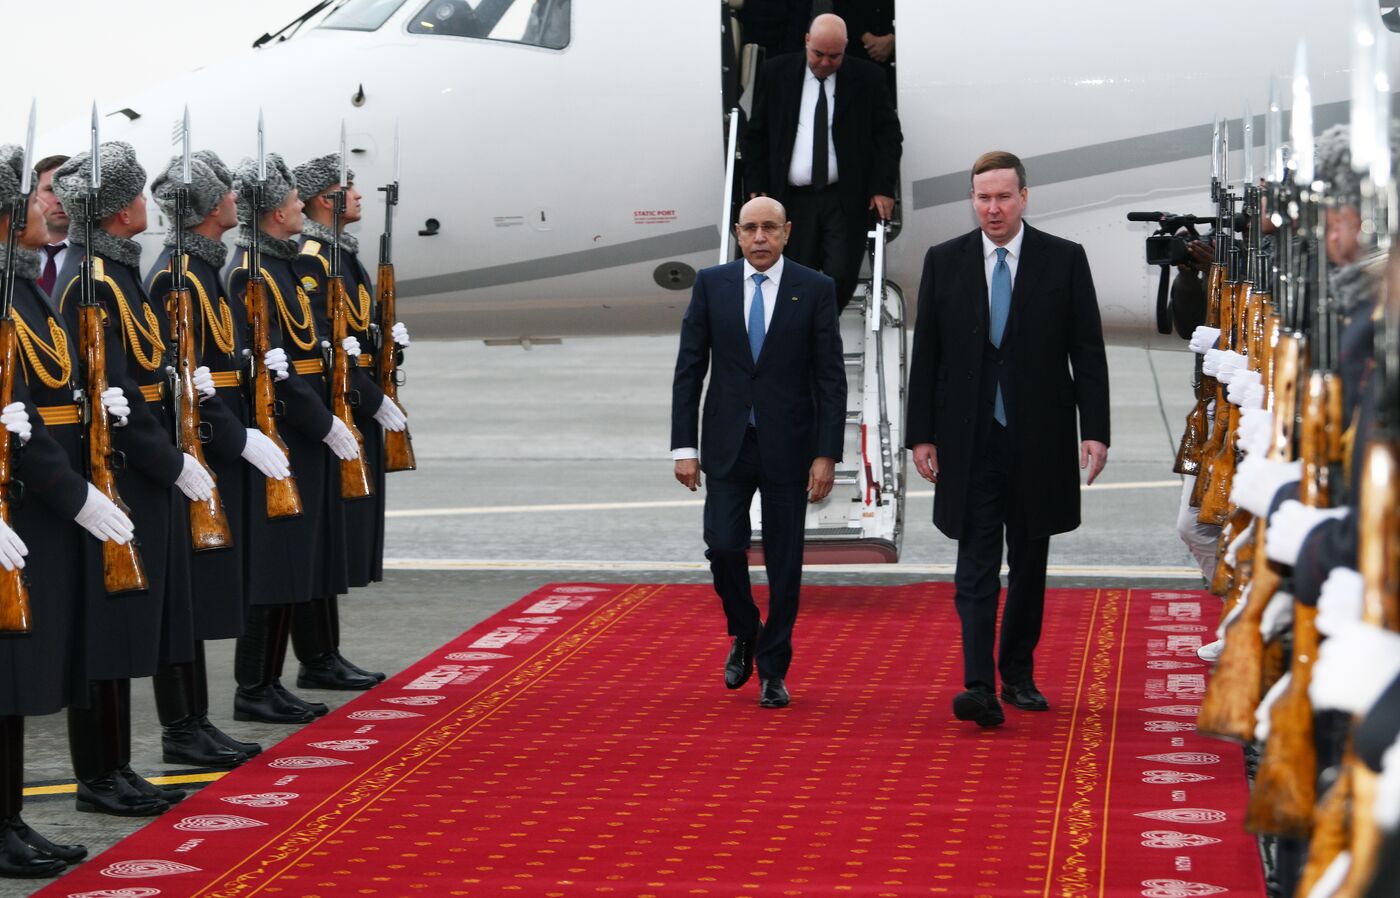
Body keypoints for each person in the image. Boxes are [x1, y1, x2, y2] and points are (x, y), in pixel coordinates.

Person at [905, 151, 1110, 728]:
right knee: (974, 563)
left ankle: (1017, 674)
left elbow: (1086, 351)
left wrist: (1094, 430)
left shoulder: (1063, 259)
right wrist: (921, 434)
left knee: (1028, 561)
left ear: (1024, 197)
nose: (992, 208)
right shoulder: (944, 260)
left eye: (1002, 197)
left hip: (1039, 438)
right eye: (982, 198)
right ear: (972, 200)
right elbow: (928, 355)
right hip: (969, 441)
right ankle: (978, 686)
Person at [53, 142, 215, 815]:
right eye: (140, 196)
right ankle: (99, 775)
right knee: (108, 629)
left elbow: (142, 374)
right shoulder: (90, 282)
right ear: (121, 213)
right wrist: (170, 462)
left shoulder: (117, 274)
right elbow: (110, 391)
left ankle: (116, 766)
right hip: (121, 472)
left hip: (143, 472)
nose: (150, 205)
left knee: (129, 626)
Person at [146, 150, 293, 766]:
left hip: (219, 443)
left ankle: (197, 721)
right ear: (208, 209)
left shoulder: (202, 270)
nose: (237, 199)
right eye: (226, 194)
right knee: (185, 599)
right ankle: (183, 727)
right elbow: (184, 378)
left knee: (201, 596)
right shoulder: (177, 276)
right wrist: (234, 438)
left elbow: (216, 363)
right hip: (200, 449)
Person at [670, 196, 845, 708]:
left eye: (770, 227)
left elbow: (830, 378)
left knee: (785, 564)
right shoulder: (712, 284)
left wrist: (826, 453)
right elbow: (689, 370)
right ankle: (746, 628)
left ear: (787, 232)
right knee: (723, 546)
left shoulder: (815, 288)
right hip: (728, 444)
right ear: (738, 233)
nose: (761, 237)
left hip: (790, 447)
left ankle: (773, 670)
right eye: (751, 228)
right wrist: (684, 447)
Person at [225, 153, 361, 724]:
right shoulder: (250, 272)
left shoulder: (275, 265)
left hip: (299, 428)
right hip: (279, 431)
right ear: (277, 213)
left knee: (293, 560)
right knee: (274, 565)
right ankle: (255, 686)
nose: (300, 205)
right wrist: (322, 422)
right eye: (291, 200)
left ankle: (275, 679)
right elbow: (268, 366)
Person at [291, 152, 410, 690]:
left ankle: (325, 654)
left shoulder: (343, 254)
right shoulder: (314, 258)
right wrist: (370, 398)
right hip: (333, 408)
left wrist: (386, 346)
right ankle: (316, 658)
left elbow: (354, 337)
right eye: (348, 187)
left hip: (350, 403)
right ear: (325, 199)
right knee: (318, 542)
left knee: (330, 541)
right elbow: (325, 349)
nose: (359, 195)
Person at [743, 12, 902, 312]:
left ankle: (822, 325)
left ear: (845, 48)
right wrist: (757, 183)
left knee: (841, 274)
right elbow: (756, 134)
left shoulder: (867, 78)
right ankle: (805, 330)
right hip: (792, 198)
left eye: (834, 56)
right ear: (806, 41)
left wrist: (882, 187)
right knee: (793, 274)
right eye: (818, 54)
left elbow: (889, 137)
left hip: (843, 197)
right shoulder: (776, 73)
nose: (826, 62)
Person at [32, 154, 69, 296]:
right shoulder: (11, 254)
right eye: (51, 189)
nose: (60, 199)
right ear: (34, 195)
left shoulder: (98, 257)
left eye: (67, 189)